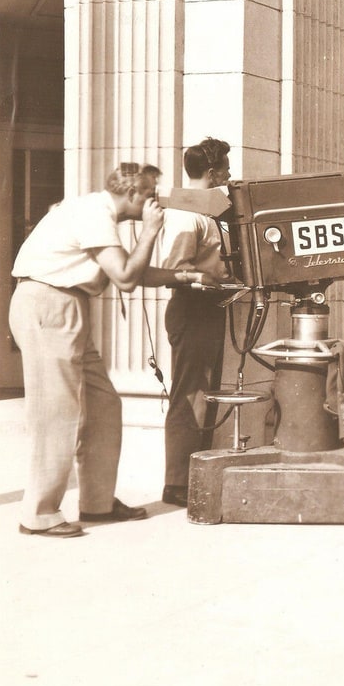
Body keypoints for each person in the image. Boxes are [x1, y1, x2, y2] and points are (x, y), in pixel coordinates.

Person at [10, 162, 166, 537]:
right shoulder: (95, 213)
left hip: (66, 305)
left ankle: (96, 502)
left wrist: (186, 276)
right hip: (51, 303)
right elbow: (127, 278)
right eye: (148, 194)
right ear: (131, 194)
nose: (153, 202)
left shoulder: (93, 212)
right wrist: (150, 231)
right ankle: (39, 513)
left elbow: (126, 269)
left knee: (103, 404)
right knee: (56, 412)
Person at [151, 137, 233, 508]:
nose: (230, 175)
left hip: (208, 308)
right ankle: (177, 483)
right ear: (213, 173)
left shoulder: (207, 212)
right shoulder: (187, 215)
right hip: (193, 308)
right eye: (226, 169)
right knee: (190, 394)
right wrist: (210, 279)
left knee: (204, 394)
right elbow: (174, 271)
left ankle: (194, 477)